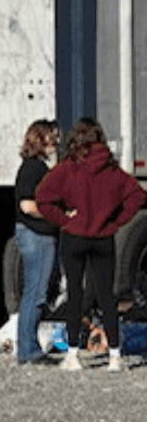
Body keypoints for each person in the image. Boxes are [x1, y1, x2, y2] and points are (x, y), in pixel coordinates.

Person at [36, 118, 146, 373]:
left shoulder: (69, 167)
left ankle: (73, 354)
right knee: (107, 296)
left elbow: (43, 199)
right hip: (103, 237)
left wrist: (63, 219)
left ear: (77, 139)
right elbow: (137, 195)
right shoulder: (112, 170)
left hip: (74, 237)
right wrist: (115, 221)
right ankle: (115, 356)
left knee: (75, 294)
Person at [12, 119, 60, 365]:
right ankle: (28, 350)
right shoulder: (34, 169)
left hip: (34, 234)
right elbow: (28, 205)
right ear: (41, 140)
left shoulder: (32, 167)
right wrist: (56, 215)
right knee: (36, 292)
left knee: (34, 291)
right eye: (52, 138)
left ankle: (27, 347)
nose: (56, 142)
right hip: (37, 234)